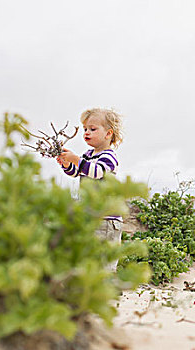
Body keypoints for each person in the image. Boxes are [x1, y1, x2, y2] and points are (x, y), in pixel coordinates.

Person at [56, 107, 124, 269]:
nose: (86, 132)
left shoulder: (108, 156)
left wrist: (76, 159)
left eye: (92, 129)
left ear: (108, 134)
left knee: (105, 260)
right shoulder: (87, 155)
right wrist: (67, 164)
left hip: (107, 220)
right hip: (91, 217)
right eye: (85, 129)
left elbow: (97, 171)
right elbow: (76, 172)